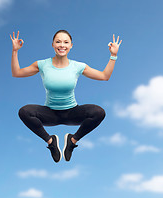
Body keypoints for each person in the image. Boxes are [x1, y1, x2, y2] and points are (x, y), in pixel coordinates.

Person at [10, 30, 122, 163]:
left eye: (65, 42)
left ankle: (72, 141)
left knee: (99, 112)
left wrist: (113, 55)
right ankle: (51, 142)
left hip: (72, 112)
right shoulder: (42, 64)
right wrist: (15, 51)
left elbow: (104, 76)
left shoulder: (78, 66)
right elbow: (16, 73)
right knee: (24, 111)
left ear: (71, 46)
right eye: (58, 41)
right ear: (52, 45)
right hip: (49, 113)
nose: (62, 45)